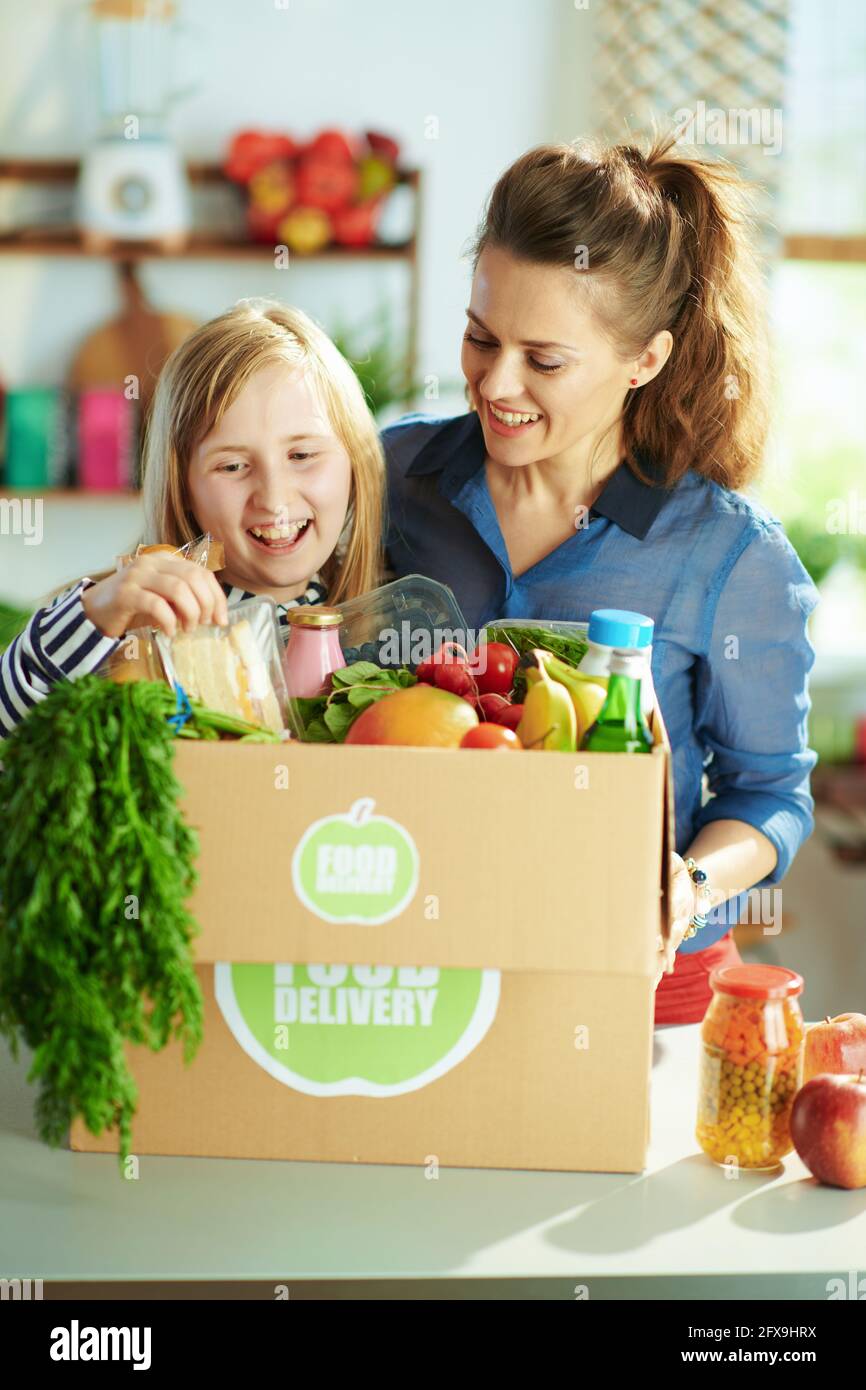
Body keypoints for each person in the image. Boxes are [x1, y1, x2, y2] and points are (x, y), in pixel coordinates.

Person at [382, 133, 820, 1021]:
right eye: (479, 338)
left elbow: (769, 796)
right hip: (415, 953)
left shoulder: (729, 558)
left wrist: (688, 884)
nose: (496, 383)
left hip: (644, 983)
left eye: (545, 360)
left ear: (644, 361)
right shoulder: (393, 479)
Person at [0, 300, 384, 738]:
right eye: (233, 466)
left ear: (356, 464)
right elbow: (9, 732)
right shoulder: (125, 631)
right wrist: (97, 613)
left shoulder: (392, 634)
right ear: (182, 488)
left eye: (302, 455)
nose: (274, 498)